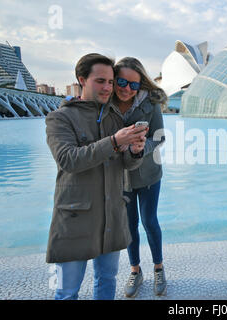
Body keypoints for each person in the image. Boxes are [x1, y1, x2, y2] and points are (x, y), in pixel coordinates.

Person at [45, 53, 148, 300]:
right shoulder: (60, 118)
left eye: (111, 82)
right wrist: (114, 141)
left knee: (107, 282)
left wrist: (135, 151)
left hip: (111, 214)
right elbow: (69, 159)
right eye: (100, 81)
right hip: (75, 216)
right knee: (67, 292)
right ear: (82, 79)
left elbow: (127, 166)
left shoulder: (115, 118)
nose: (107, 88)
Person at [111, 57, 167, 297]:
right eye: (122, 81)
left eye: (134, 85)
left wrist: (142, 148)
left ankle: (158, 268)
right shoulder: (106, 103)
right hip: (120, 176)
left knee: (149, 221)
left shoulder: (150, 104)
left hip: (148, 173)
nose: (127, 89)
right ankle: (135, 270)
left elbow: (160, 136)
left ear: (140, 85)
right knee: (128, 226)